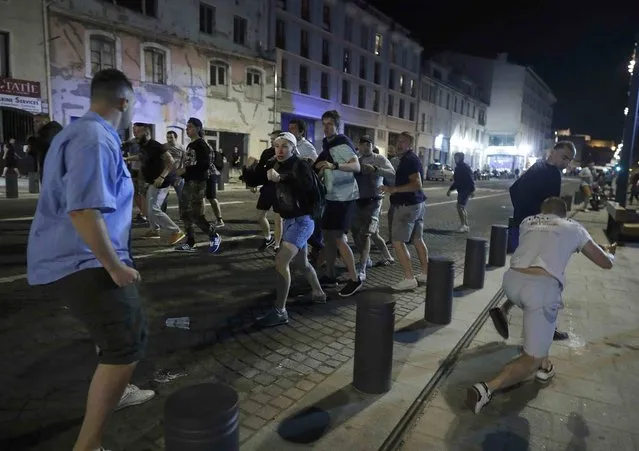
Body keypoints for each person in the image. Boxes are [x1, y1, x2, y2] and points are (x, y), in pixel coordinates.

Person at [27, 69, 155, 451]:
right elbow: (83, 209)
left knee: (112, 335)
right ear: (123, 102)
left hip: (69, 257)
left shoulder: (73, 132)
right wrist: (115, 266)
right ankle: (88, 445)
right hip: (84, 260)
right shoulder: (96, 136)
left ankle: (120, 390)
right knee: (127, 342)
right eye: (134, 105)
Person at [467, 197, 616, 414]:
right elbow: (604, 262)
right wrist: (610, 253)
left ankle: (545, 366)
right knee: (531, 359)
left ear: (542, 211)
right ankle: (486, 389)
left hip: (511, 284)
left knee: (546, 316)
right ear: (563, 214)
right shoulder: (574, 227)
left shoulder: (528, 221)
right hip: (540, 291)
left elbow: (545, 241)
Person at [493, 141, 576, 341]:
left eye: (569, 160)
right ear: (553, 152)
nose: (565, 163)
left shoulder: (537, 166)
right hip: (541, 232)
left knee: (532, 274)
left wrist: (524, 216)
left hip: (527, 229)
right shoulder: (552, 173)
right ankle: (546, 327)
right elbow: (551, 208)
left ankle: (505, 309)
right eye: (564, 157)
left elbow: (514, 189)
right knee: (551, 277)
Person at [244, 132, 326, 327]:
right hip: (289, 220)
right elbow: (254, 181)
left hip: (303, 221)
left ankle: (280, 311)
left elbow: (306, 186)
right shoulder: (275, 164)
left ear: (292, 147)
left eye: (284, 146)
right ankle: (318, 292)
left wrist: (282, 178)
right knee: (301, 263)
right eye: (277, 145)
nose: (279, 150)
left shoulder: (301, 164)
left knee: (281, 261)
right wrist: (249, 167)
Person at [447, 152, 475, 233]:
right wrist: (450, 189)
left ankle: (463, 225)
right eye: (454, 158)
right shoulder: (459, 167)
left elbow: (470, 179)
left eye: (456, 158)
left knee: (459, 207)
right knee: (462, 207)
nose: (455, 159)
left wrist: (472, 190)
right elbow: (457, 181)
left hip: (465, 190)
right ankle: (466, 225)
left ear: (461, 158)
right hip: (462, 189)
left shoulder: (464, 167)